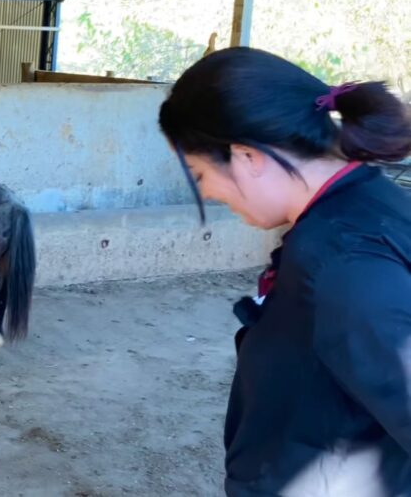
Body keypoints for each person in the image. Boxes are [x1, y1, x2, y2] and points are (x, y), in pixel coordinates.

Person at [158, 47, 411, 497]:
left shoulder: (342, 264)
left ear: (246, 157)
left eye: (200, 175)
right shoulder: (363, 208)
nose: (210, 193)